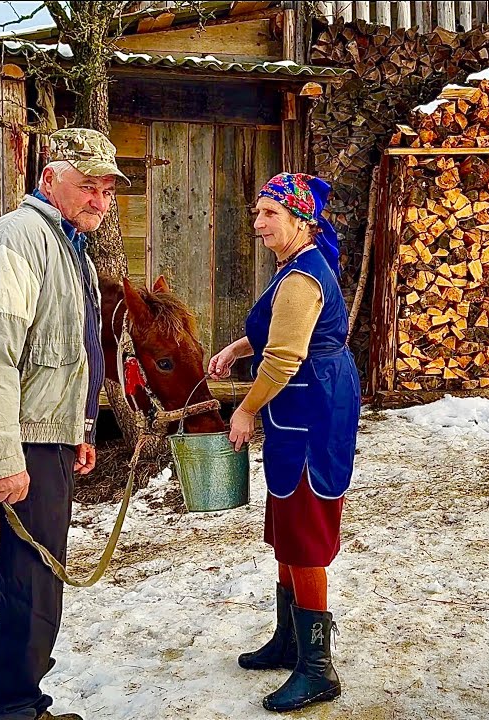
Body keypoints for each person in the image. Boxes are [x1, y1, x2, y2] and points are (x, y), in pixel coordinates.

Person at [0, 127, 129, 720]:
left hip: (43, 439)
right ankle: (9, 710)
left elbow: (65, 348)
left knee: (36, 587)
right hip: (15, 446)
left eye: (107, 190)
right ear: (49, 178)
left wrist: (77, 426)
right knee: (27, 589)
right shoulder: (14, 242)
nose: (99, 200)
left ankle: (20, 702)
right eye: (87, 186)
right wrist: (3, 460)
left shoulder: (66, 244)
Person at [208, 172, 361, 713]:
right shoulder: (295, 268)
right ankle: (289, 640)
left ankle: (318, 668)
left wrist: (246, 409)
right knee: (287, 527)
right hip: (298, 405)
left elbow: (284, 356)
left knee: (305, 533)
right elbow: (278, 331)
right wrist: (234, 347)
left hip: (310, 409)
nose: (258, 223)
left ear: (302, 219)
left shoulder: (302, 277)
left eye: (269, 214)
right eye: (256, 213)